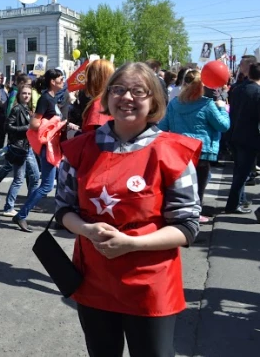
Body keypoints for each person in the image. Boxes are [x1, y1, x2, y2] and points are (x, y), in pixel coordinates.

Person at [54, 62, 201, 357]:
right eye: (119, 90)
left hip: (150, 283)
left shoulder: (171, 153)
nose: (127, 98)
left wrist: (132, 244)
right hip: (94, 280)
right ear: (107, 98)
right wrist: (85, 229)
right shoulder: (79, 149)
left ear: (154, 101)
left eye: (138, 91)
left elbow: (187, 225)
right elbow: (63, 210)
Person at [159, 70, 230, 222]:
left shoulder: (174, 103)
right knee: (198, 188)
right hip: (202, 151)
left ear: (184, 83)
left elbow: (163, 127)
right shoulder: (208, 104)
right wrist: (222, 108)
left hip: (179, 151)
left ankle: (180, 217)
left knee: (181, 187)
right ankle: (193, 219)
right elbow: (223, 126)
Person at [11, 68, 66, 233]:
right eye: (61, 79)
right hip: (47, 148)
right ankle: (21, 214)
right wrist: (56, 124)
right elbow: (34, 124)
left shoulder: (52, 97)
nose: (63, 82)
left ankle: (61, 218)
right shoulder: (45, 99)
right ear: (52, 82)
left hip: (54, 147)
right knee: (47, 186)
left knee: (62, 183)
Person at [0, 83, 40, 216]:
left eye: (28, 93)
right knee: (19, 179)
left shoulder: (27, 109)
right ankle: (9, 207)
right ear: (19, 95)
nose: (26, 96)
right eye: (24, 93)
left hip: (27, 147)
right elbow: (7, 127)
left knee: (35, 176)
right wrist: (26, 128)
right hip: (19, 147)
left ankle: (30, 203)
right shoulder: (17, 109)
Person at [224, 62, 260, 217]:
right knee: (243, 173)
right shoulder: (257, 92)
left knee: (239, 171)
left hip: (234, 134)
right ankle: (233, 204)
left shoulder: (238, 89)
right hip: (250, 137)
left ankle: (239, 200)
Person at [81, 59, 115, 132]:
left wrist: (76, 135)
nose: (85, 81)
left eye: (88, 76)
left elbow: (98, 139)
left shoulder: (100, 104)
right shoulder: (108, 99)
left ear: (95, 79)